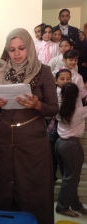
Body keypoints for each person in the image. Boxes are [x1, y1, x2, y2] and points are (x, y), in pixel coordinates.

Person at [0, 28, 59, 224]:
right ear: (6, 51)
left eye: (21, 48)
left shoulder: (43, 71)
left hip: (32, 144)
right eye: (11, 50)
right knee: (2, 188)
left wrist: (37, 105)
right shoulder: (1, 71)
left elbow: (53, 108)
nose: (16, 54)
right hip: (3, 141)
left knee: (30, 191)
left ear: (29, 47)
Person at [55, 82, 87, 217]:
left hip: (59, 143)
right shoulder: (80, 111)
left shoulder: (58, 107)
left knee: (69, 178)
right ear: (76, 95)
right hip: (71, 146)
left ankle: (75, 204)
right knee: (71, 178)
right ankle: (62, 207)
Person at [47, 69, 72, 183]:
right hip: (54, 128)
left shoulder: (73, 93)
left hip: (67, 130)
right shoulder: (52, 93)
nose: (65, 81)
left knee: (65, 156)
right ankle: (51, 178)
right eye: (62, 79)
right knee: (52, 154)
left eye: (68, 79)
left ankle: (65, 179)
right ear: (56, 81)